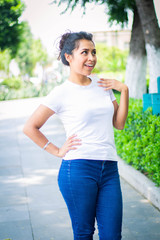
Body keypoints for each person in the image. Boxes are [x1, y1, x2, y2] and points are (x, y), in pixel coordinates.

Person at [23, 31, 129, 240]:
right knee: (84, 233)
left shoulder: (103, 85)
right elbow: (30, 127)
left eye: (93, 52)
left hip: (108, 168)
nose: (91, 58)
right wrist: (57, 150)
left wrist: (123, 90)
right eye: (85, 52)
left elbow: (119, 124)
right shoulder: (61, 92)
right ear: (68, 57)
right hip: (78, 169)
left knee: (112, 235)